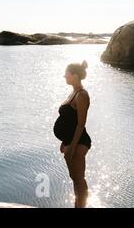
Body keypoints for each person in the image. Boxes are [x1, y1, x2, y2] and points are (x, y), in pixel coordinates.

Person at [53, 60, 91, 208]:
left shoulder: (82, 95)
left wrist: (73, 147)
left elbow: (81, 124)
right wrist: (64, 141)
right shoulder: (73, 92)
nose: (64, 76)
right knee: (74, 177)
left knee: (79, 179)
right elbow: (69, 120)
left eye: (66, 74)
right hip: (70, 141)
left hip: (79, 142)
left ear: (74, 75)